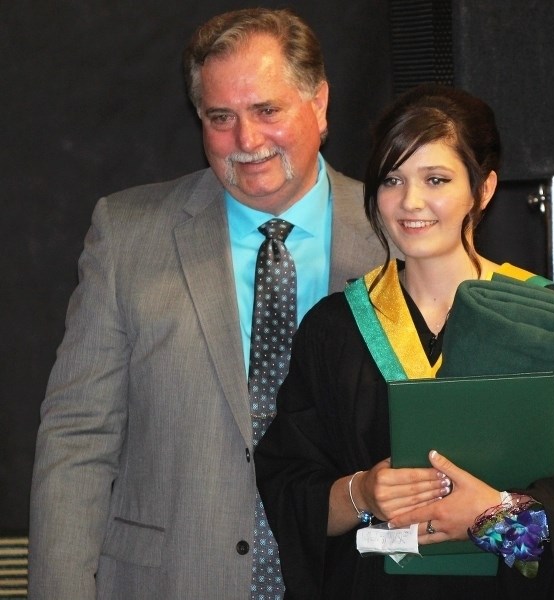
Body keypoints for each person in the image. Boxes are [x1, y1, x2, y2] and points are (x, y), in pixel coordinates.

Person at [28, 8, 388, 600]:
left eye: (267, 110)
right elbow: (77, 439)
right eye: (221, 118)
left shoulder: (393, 234)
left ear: (320, 105)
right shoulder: (127, 235)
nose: (246, 142)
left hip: (349, 578)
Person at [255, 83, 554, 599]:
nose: (410, 202)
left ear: (484, 189)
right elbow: (288, 481)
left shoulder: (553, 323)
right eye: (392, 179)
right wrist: (361, 493)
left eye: (437, 179)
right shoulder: (335, 328)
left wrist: (499, 518)